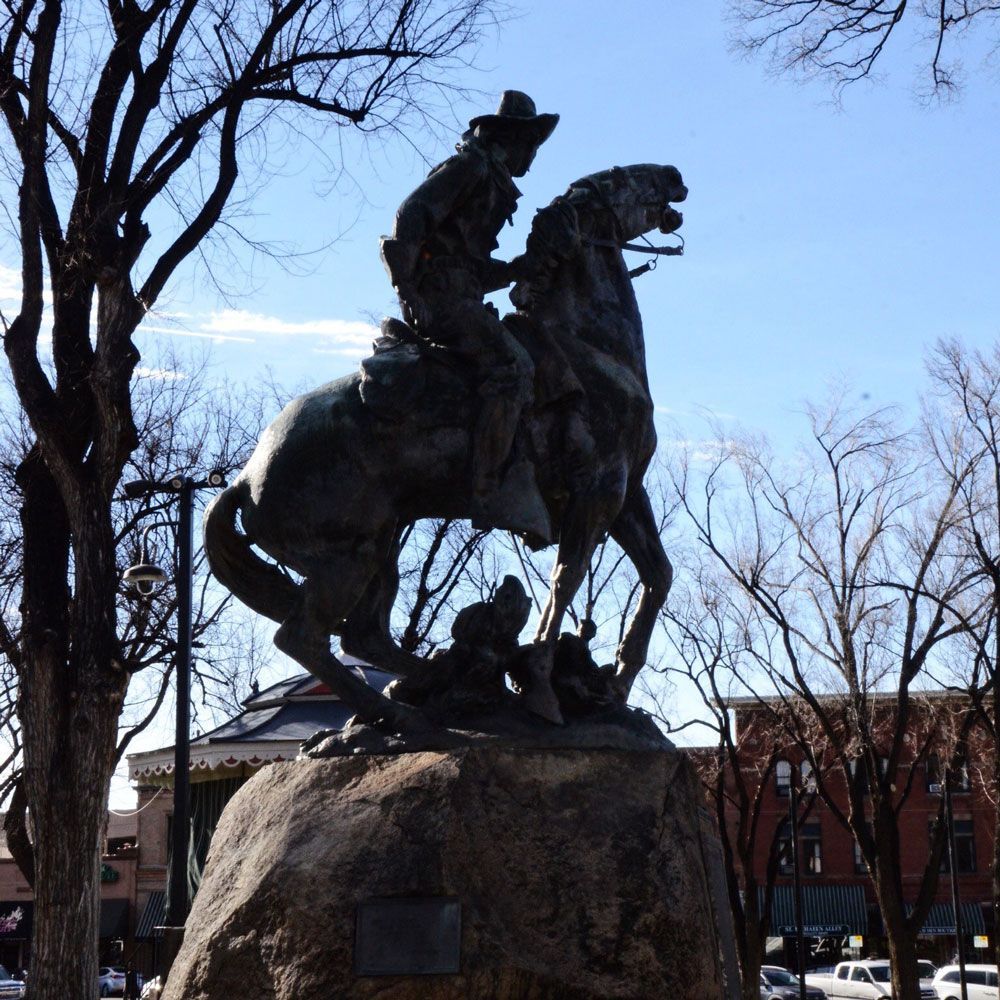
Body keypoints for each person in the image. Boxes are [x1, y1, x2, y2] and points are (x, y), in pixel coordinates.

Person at [380, 90, 558, 540]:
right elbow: (411, 213)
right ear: (514, 139)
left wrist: (517, 269)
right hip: (444, 301)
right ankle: (487, 487)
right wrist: (407, 287)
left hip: (459, 294)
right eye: (532, 143)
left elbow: (470, 266)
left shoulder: (490, 179)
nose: (534, 155)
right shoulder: (472, 168)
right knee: (515, 368)